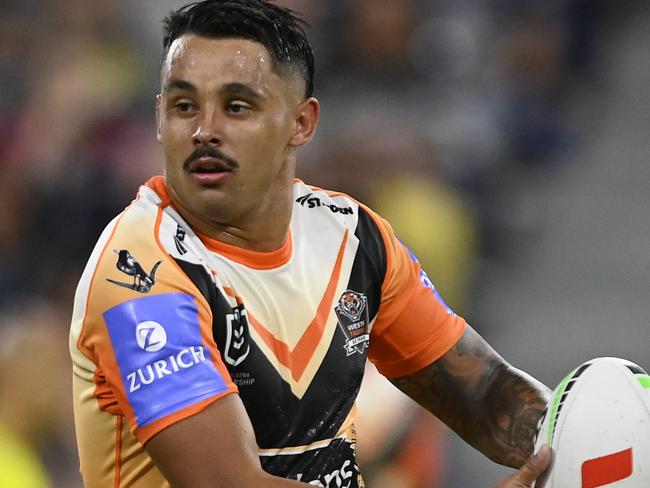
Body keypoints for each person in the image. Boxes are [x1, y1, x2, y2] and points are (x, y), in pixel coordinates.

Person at [70, 1, 552, 486]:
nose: (204, 132)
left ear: (301, 123)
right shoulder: (137, 272)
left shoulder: (352, 239)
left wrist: (594, 431)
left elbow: (486, 395)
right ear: (158, 118)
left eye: (237, 106)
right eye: (183, 106)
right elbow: (228, 484)